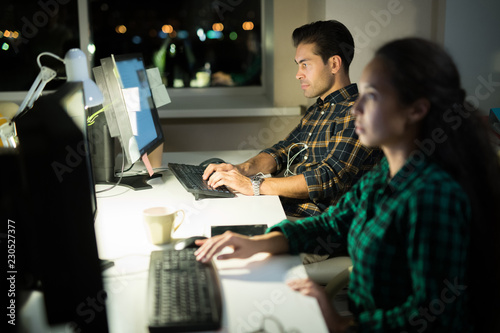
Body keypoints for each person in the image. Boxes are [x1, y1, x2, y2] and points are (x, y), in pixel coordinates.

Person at [194, 37, 500, 332]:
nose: (355, 108)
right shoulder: (385, 175)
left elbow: (435, 316)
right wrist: (256, 243)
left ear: (415, 110)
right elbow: (330, 224)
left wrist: (345, 325)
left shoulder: (433, 195)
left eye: (372, 96)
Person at [203, 20, 382, 218]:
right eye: (298, 65)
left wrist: (253, 185)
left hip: (312, 224)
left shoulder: (358, 114)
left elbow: (327, 178)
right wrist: (240, 169)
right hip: (282, 207)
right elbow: (283, 151)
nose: (298, 75)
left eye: (305, 65)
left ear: (333, 64)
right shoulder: (319, 109)